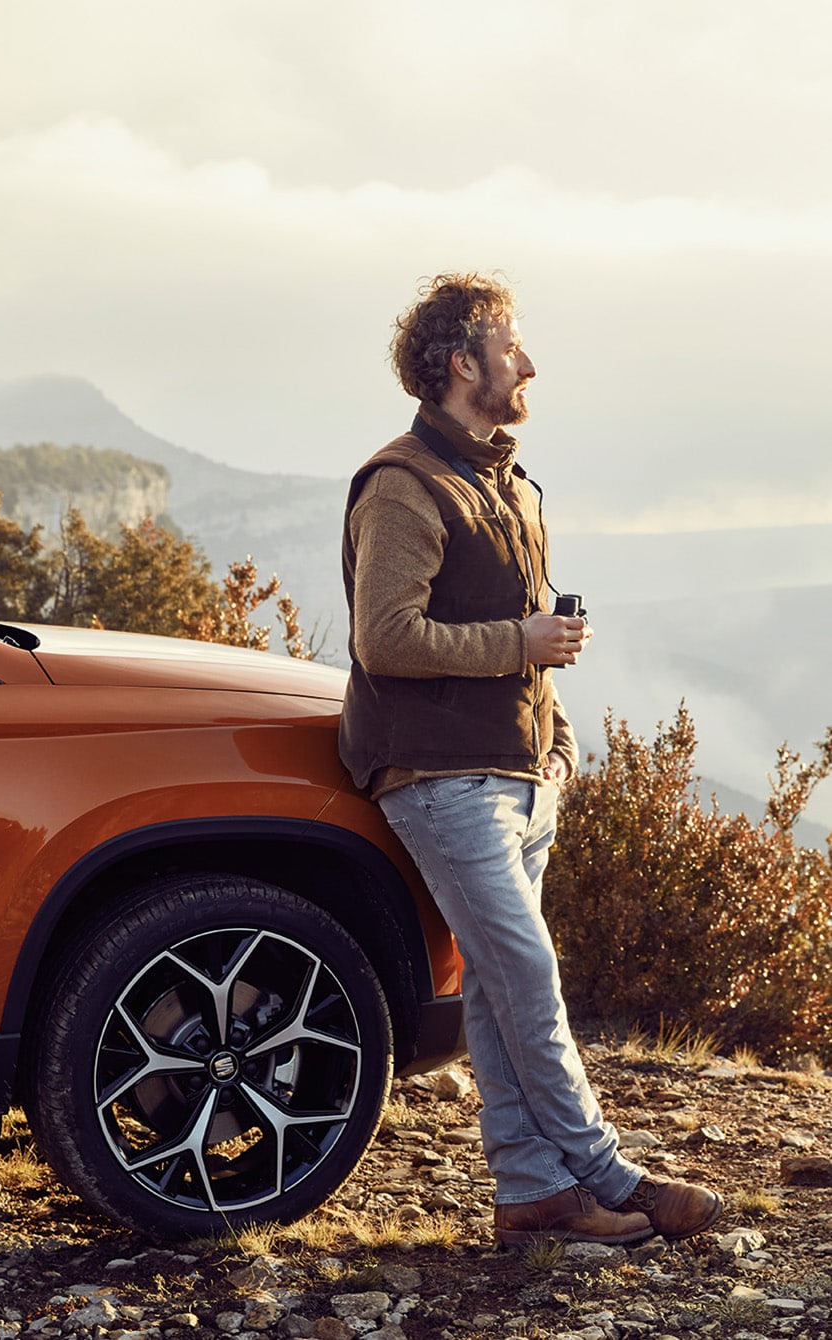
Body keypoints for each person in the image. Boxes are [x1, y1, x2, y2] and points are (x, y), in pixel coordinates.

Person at [339, 273, 723, 1246]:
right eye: (513, 348)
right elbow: (384, 636)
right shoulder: (402, 484)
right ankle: (608, 1171)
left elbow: (534, 630)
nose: (530, 364)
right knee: (525, 973)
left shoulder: (508, 482)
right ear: (462, 363)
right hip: (435, 776)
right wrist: (522, 642)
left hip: (518, 773)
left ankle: (533, 1193)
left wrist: (554, 741)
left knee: (499, 989)